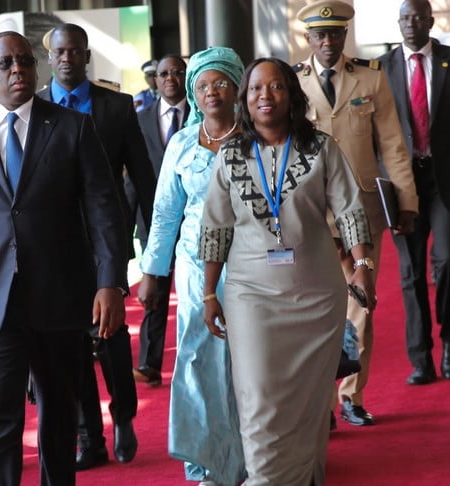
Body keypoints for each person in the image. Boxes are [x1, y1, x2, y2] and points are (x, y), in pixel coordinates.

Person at [0, 31, 128, 486]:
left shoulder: (73, 127)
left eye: (24, 61)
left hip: (58, 296)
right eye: (6, 64)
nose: (17, 70)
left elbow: (104, 212)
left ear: (35, 68)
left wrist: (110, 282)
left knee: (59, 414)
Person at [201, 57, 375, 485]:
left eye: (276, 87)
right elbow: (215, 228)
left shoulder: (322, 147)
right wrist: (209, 293)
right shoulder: (230, 156)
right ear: (245, 98)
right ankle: (265, 478)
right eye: (256, 88)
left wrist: (363, 264)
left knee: (309, 403)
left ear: (292, 95)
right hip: (251, 296)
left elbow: (350, 209)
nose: (266, 95)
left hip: (316, 295)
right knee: (259, 398)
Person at [294, 0, 418, 427]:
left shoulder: (370, 78)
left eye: (336, 34)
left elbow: (394, 147)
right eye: (320, 35)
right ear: (308, 39)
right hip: (309, 215)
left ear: (345, 36)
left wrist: (406, 203)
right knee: (315, 309)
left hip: (361, 213)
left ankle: (351, 396)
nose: (328, 42)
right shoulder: (292, 84)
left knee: (361, 306)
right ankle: (321, 404)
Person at [38, 23, 156, 469]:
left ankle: (122, 414)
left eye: (75, 52)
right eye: (59, 52)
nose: (67, 59)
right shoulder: (36, 106)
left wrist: (152, 255)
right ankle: (90, 437)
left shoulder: (116, 107)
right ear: (51, 58)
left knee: (109, 338)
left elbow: (144, 181)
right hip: (54, 249)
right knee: (69, 343)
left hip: (106, 244)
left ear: (87, 57)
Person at [137, 47, 246, 486]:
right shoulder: (181, 143)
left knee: (245, 364)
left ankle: (246, 457)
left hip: (249, 267)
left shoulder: (256, 138)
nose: (211, 92)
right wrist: (151, 273)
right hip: (194, 267)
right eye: (201, 85)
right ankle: (205, 462)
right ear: (191, 92)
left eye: (220, 83)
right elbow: (165, 213)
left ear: (236, 88)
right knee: (198, 361)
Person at [378, 0, 450, 384]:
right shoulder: (381, 68)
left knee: (447, 261)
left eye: (420, 17)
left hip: (444, 181)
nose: (412, 23)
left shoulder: (447, 60)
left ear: (430, 21)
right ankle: (421, 359)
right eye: (406, 17)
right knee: (410, 273)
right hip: (403, 182)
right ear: (399, 22)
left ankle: (449, 345)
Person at [130, 54, 189, 387]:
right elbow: (132, 179)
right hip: (154, 221)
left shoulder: (201, 114)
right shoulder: (140, 119)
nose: (170, 79)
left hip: (195, 220)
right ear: (155, 80)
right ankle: (149, 364)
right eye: (164, 74)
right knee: (155, 291)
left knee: (196, 293)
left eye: (177, 73)